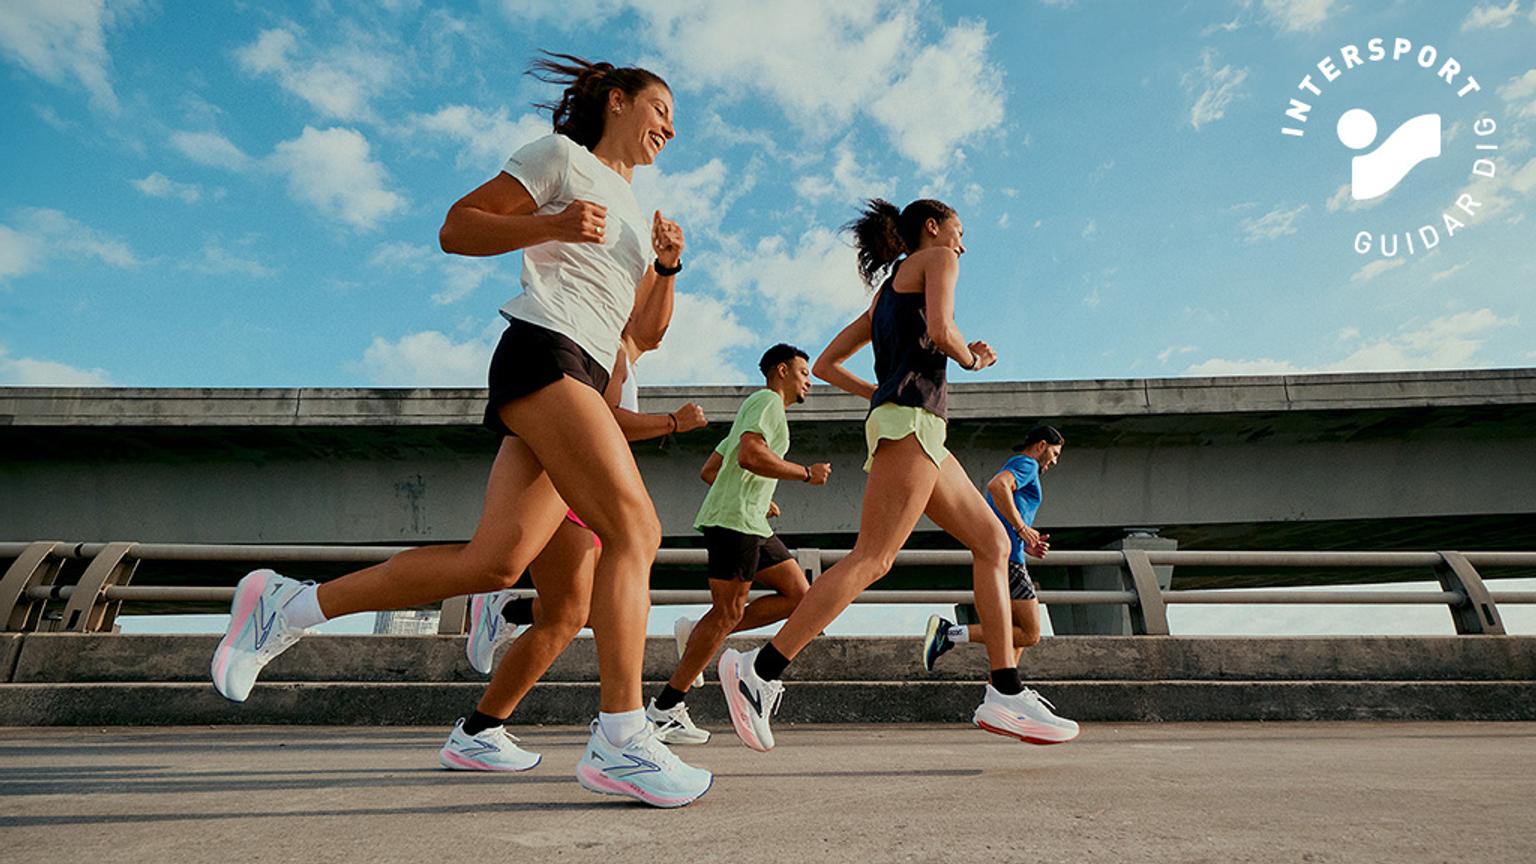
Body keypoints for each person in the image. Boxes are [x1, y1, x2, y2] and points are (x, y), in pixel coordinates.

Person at [209, 51, 713, 807]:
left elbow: (643, 333)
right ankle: (620, 737)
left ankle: (289, 605)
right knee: (634, 529)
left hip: (582, 364)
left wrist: (668, 267)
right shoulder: (561, 161)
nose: (670, 127)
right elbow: (456, 228)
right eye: (660, 109)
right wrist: (551, 222)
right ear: (616, 100)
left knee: (496, 561)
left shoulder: (638, 211)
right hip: (545, 350)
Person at [717, 198, 1037, 752]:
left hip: (916, 425)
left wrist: (879, 393)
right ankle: (761, 670)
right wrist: (973, 358)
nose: (962, 244)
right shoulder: (937, 259)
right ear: (933, 228)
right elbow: (940, 332)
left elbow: (824, 365)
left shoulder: (886, 294)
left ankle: (1005, 690)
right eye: (958, 231)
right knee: (873, 558)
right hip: (911, 423)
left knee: (991, 542)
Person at [443, 329, 707, 769]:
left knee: (569, 611)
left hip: (578, 485)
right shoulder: (607, 344)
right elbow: (600, 418)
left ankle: (483, 717)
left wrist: (667, 269)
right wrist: (673, 423)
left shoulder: (617, 352)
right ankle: (621, 733)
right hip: (568, 484)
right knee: (566, 605)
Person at [642, 344, 829, 745]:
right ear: (781, 370)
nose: (809, 381)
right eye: (804, 372)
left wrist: (760, 496)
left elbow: (713, 469)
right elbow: (749, 455)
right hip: (735, 523)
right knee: (728, 613)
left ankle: (698, 631)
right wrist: (805, 474)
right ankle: (665, 708)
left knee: (800, 595)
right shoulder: (767, 402)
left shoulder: (752, 411)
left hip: (750, 520)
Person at [921, 425, 1079, 744]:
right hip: (1006, 561)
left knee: (1017, 632)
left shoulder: (1024, 465)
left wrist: (1027, 542)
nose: (1054, 462)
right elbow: (997, 487)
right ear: (1040, 445)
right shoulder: (1026, 464)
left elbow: (1003, 503)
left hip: (1012, 557)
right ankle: (951, 636)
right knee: (1030, 632)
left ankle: (1000, 698)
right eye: (1055, 453)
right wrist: (1021, 530)